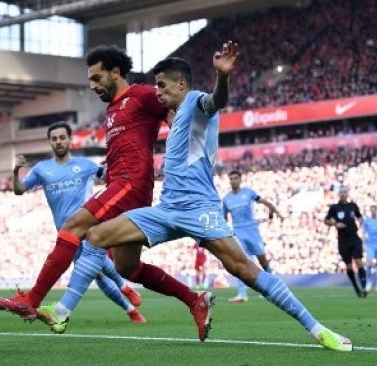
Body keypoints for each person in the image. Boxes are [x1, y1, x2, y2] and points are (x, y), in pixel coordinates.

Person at [39, 41, 352, 351]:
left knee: (244, 269)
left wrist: (223, 77)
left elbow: (216, 101)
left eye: (162, 86)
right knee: (94, 235)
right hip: (167, 207)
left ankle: (318, 329)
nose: (157, 93)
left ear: (181, 83)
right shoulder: (173, 118)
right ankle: (62, 312)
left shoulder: (195, 101)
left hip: (199, 209)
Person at [0, 45, 210, 338]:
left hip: (130, 184)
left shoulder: (143, 94)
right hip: (120, 184)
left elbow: (177, 113)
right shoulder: (111, 110)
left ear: (116, 72)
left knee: (74, 226)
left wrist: (177, 153)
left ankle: (33, 299)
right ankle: (195, 300)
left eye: (96, 78)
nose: (92, 86)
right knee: (126, 267)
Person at [2, 122, 146, 324]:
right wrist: (16, 171)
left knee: (95, 261)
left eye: (62, 137)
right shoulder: (42, 170)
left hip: (87, 225)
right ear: (50, 142)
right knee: (97, 276)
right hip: (65, 233)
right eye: (54, 139)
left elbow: (108, 176)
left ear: (70, 139)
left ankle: (125, 287)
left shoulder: (85, 164)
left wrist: (117, 164)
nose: (58, 141)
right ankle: (130, 309)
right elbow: (19, 190)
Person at [223, 170, 284, 302]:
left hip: (252, 231)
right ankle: (242, 294)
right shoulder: (226, 199)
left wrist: (276, 212)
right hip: (238, 233)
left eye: (235, 178)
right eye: (231, 178)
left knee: (263, 260)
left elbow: (264, 202)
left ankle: (274, 287)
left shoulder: (248, 193)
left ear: (240, 180)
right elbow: (224, 219)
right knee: (239, 262)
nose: (233, 180)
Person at [324, 186, 368, 298]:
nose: (343, 194)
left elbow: (360, 217)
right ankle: (356, 287)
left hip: (354, 239)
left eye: (345, 192)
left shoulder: (353, 206)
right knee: (349, 266)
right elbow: (326, 220)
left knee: (359, 262)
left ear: (347, 193)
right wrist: (335, 224)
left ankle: (363, 286)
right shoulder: (334, 208)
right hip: (343, 241)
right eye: (341, 192)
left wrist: (361, 221)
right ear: (339, 194)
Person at [362, 205, 377, 292]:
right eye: (372, 210)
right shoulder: (367, 221)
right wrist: (363, 242)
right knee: (369, 263)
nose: (373, 212)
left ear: (376, 211)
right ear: (370, 211)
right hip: (370, 245)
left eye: (375, 210)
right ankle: (369, 283)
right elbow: (363, 232)